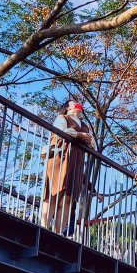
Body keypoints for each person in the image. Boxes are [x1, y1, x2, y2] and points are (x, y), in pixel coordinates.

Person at [41, 99, 94, 235]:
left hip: (76, 162)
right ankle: (44, 228)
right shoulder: (62, 118)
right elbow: (60, 131)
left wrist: (86, 138)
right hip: (61, 158)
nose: (79, 105)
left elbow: (92, 144)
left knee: (68, 198)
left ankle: (58, 233)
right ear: (68, 108)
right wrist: (79, 135)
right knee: (53, 193)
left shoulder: (85, 126)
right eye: (75, 104)